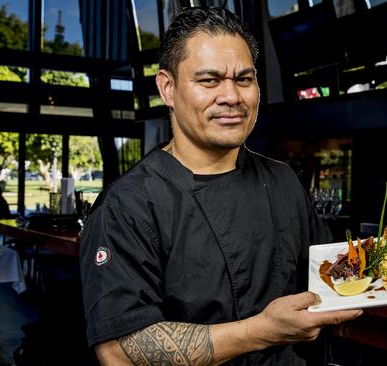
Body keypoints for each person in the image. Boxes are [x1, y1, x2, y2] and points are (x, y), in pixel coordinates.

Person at [79, 7, 362, 365]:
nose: (232, 96)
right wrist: (264, 329)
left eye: (244, 79)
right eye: (209, 81)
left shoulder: (283, 181)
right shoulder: (129, 205)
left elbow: (334, 276)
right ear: (167, 88)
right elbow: (118, 350)